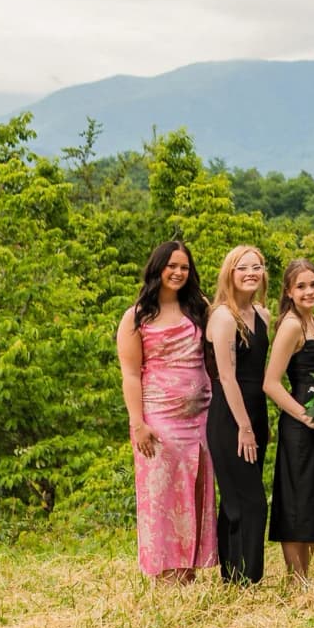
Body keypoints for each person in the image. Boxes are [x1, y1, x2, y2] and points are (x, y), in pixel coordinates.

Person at [115, 240, 216, 581]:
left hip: (201, 418)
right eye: (171, 266)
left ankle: (188, 570)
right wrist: (137, 423)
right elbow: (130, 373)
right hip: (158, 419)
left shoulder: (199, 307)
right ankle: (164, 573)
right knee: (162, 496)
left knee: (195, 493)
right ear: (157, 268)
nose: (177, 272)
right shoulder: (137, 316)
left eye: (184, 267)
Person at [262, 258, 314, 581]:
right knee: (297, 497)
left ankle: (305, 574)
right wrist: (307, 417)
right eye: (302, 286)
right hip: (300, 425)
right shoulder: (292, 325)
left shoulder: (313, 323)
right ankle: (297, 579)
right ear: (289, 292)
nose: (310, 291)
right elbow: (271, 383)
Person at [204, 245, 271, 584]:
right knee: (251, 502)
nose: (250, 273)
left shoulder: (262, 315)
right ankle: (247, 578)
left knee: (238, 499)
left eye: (256, 267)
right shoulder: (223, 316)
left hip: (258, 415)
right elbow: (227, 376)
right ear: (229, 273)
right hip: (231, 419)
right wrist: (244, 427)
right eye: (242, 267)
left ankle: (233, 575)